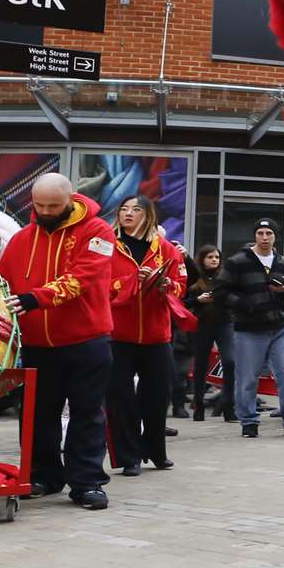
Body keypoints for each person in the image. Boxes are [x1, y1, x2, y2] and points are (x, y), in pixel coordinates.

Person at [0, 173, 116, 510]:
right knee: (36, 415)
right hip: (36, 341)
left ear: (71, 198)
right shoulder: (21, 239)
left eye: (54, 205)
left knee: (87, 413)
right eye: (39, 205)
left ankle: (88, 482)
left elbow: (84, 277)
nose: (46, 211)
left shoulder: (98, 232)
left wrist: (37, 298)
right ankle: (42, 475)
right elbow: (2, 281)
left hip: (87, 338)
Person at [105, 195, 186, 476]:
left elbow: (181, 286)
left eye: (135, 209)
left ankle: (156, 451)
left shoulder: (165, 248)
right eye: (124, 209)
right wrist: (129, 282)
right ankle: (129, 458)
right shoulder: (108, 247)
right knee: (121, 398)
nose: (128, 214)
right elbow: (99, 285)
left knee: (157, 396)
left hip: (156, 335)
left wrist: (166, 284)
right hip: (118, 334)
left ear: (148, 215)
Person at [211, 219, 284, 438]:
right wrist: (246, 305)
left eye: (269, 233)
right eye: (261, 233)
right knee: (247, 378)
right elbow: (221, 292)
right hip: (249, 329)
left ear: (275, 236)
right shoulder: (237, 262)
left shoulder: (283, 262)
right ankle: (249, 421)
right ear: (255, 236)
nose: (264, 237)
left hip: (280, 327)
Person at [183, 245, 232, 422]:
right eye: (210, 257)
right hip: (202, 324)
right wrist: (198, 300)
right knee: (200, 366)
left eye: (217, 257)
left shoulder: (225, 277)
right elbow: (183, 302)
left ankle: (228, 406)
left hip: (225, 322)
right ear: (202, 259)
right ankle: (198, 405)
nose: (214, 260)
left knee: (230, 361)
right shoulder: (194, 277)